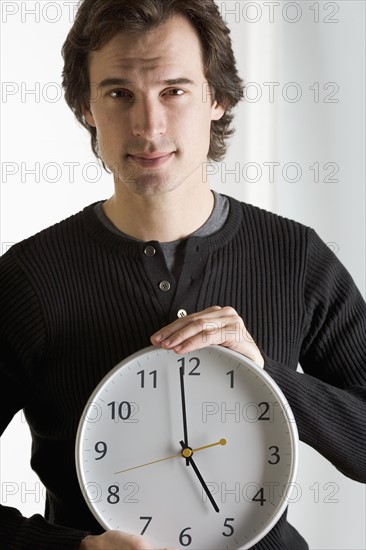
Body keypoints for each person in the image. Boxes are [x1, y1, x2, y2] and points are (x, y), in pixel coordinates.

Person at [0, 0, 365, 548]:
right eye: (120, 93)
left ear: (217, 97)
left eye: (175, 90)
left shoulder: (296, 257)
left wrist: (268, 376)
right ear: (86, 108)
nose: (150, 126)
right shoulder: (29, 278)